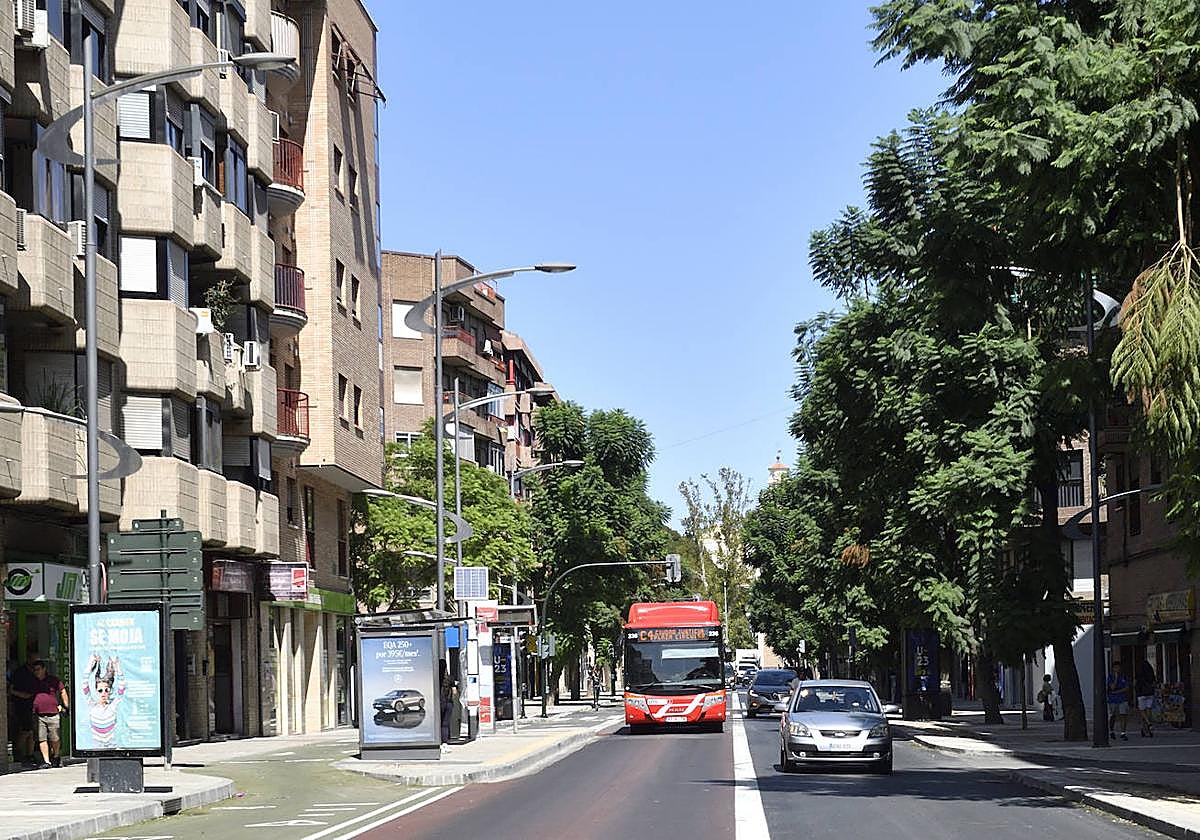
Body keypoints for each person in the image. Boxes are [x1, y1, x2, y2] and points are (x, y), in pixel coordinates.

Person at [28, 660, 69, 768]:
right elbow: (27, 694)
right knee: (41, 738)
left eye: (38, 669)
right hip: (38, 714)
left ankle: (56, 756)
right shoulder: (32, 681)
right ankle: (47, 761)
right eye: (34, 670)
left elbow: (62, 690)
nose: (36, 672)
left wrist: (66, 705)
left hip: (53, 713)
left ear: (44, 669)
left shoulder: (53, 680)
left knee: (55, 737)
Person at [81, 655, 126, 748]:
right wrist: (90, 663)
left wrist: (117, 666)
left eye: (107, 690)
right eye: (100, 690)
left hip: (112, 746)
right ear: (96, 691)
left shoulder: (112, 706)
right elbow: (84, 684)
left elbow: (122, 687)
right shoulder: (92, 705)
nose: (104, 693)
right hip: (97, 748)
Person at [7, 652, 38, 767]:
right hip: (22, 705)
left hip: (34, 705)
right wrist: (21, 695)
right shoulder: (20, 673)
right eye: (34, 661)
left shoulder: (36, 671)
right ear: (28, 660)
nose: (36, 664)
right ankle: (18, 751)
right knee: (26, 729)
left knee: (33, 732)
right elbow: (11, 690)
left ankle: (30, 754)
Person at [1106, 661, 1130, 741]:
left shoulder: (1123, 676)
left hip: (1122, 698)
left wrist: (1117, 692)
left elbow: (1127, 688)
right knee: (1113, 715)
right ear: (1113, 669)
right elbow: (1112, 687)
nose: (1117, 669)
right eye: (1115, 667)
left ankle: (1123, 732)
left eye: (1118, 667)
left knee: (1123, 715)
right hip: (1113, 699)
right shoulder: (1110, 676)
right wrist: (1115, 678)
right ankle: (1112, 731)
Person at [1135, 659, 1157, 738]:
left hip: (1141, 694)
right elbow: (1154, 683)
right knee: (1148, 711)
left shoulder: (1139, 675)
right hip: (1150, 694)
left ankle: (1147, 724)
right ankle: (1147, 729)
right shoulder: (1151, 674)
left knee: (1142, 711)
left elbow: (1136, 684)